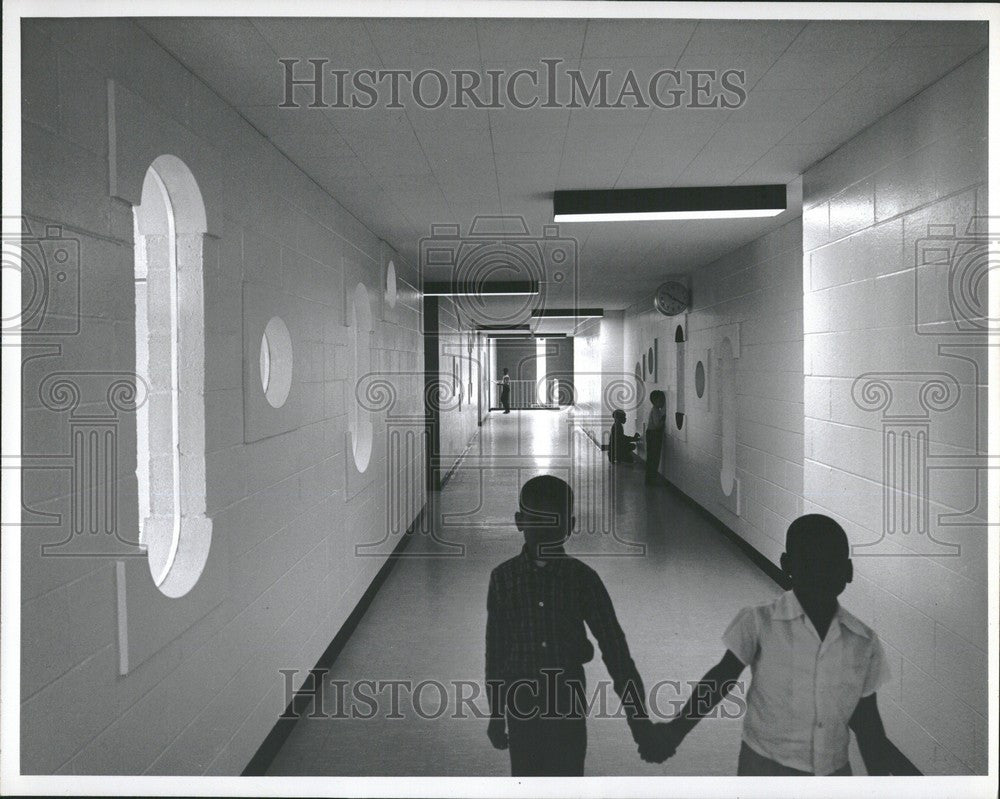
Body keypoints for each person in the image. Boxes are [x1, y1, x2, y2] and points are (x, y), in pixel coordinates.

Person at [653, 514, 919, 776]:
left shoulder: (863, 641)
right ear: (786, 564)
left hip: (833, 773)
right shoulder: (758, 622)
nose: (819, 574)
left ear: (847, 571)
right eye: (809, 563)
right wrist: (674, 732)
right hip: (764, 769)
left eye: (830, 564)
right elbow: (720, 680)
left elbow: (866, 717)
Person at [485, 475, 670, 775]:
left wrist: (640, 723)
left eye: (553, 522)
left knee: (567, 777)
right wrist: (496, 714)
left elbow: (616, 652)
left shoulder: (583, 580)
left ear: (569, 527)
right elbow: (496, 650)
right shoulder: (503, 579)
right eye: (537, 521)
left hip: (567, 703)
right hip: (521, 706)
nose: (545, 531)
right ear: (519, 521)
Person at [644, 390, 666, 482]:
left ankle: (650, 478)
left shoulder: (654, 409)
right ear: (655, 401)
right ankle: (651, 479)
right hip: (654, 435)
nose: (663, 402)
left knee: (651, 457)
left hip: (651, 434)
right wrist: (663, 419)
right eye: (661, 400)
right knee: (654, 458)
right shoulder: (656, 411)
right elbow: (657, 425)